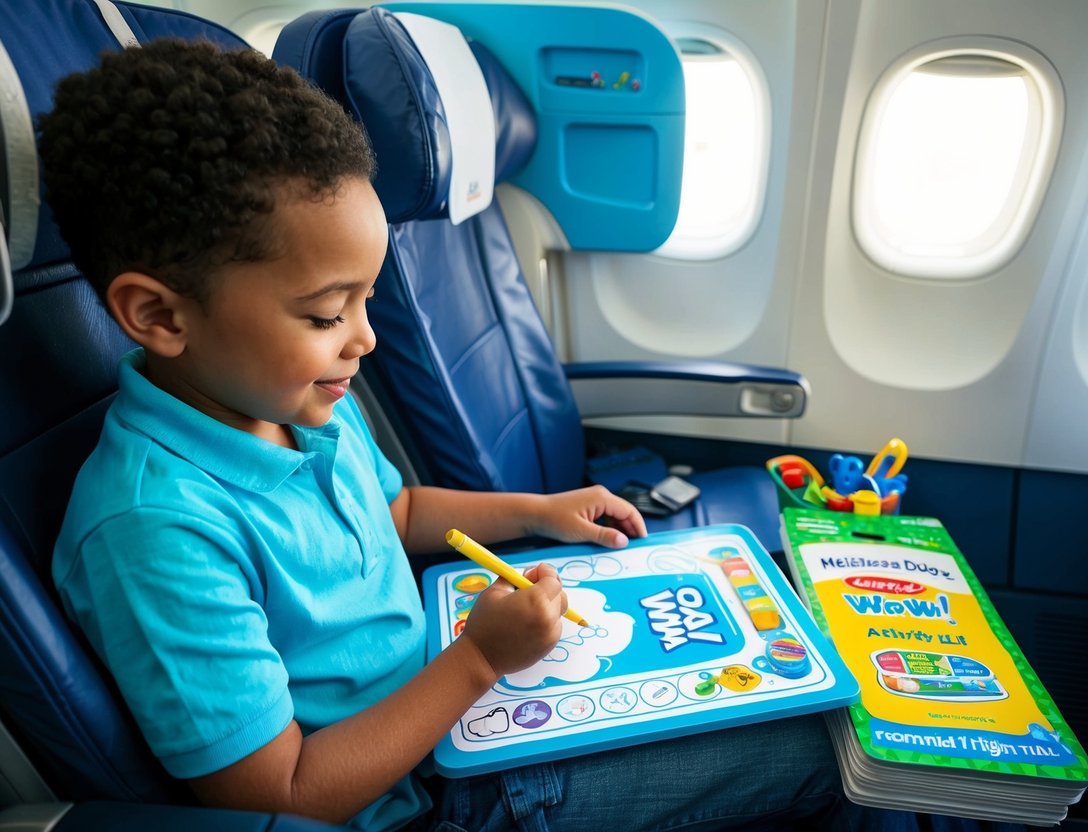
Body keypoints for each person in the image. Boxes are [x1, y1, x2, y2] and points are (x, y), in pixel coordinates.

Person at [41, 38, 880, 832]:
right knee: (845, 755)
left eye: (365, 302)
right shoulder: (154, 528)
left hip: (469, 714)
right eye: (329, 312)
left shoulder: (295, 406)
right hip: (431, 801)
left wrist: (540, 511)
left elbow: (398, 511)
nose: (364, 339)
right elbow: (280, 794)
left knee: (812, 670)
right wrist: (478, 663)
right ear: (157, 315)